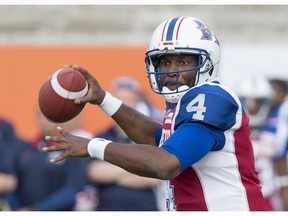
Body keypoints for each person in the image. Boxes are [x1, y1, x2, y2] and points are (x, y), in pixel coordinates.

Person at [43, 16, 266, 211]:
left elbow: (165, 163)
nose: (171, 71)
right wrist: (104, 100)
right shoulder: (181, 105)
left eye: (183, 61)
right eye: (165, 62)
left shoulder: (212, 97)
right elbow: (156, 139)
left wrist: (93, 146)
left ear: (207, 62)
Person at [87, 76, 164, 211]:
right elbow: (94, 171)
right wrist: (135, 167)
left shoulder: (148, 135)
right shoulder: (102, 136)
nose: (122, 104)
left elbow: (154, 176)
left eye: (128, 100)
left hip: (144, 207)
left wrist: (112, 170)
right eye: (118, 100)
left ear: (137, 102)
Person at [6, 110, 92, 211]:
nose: (44, 121)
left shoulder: (72, 149)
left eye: (48, 116)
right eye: (40, 116)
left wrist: (37, 210)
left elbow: (72, 190)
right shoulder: (23, 148)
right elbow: (12, 184)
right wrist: (18, 210)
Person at [236, 76, 282, 210]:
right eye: (249, 101)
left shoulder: (279, 130)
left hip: (271, 197)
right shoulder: (230, 131)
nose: (253, 107)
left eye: (258, 102)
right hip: (242, 197)